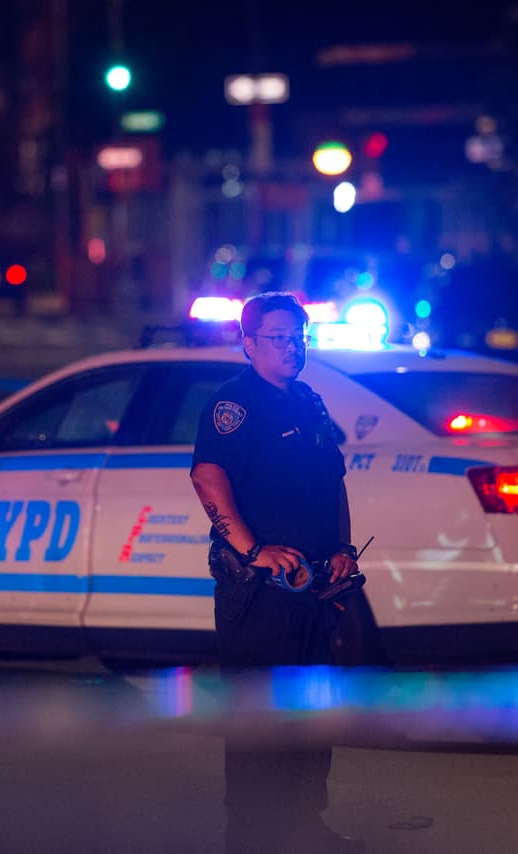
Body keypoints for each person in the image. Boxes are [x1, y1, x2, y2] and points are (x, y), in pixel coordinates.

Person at [190, 291, 364, 853]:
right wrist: (251, 549)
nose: (292, 347)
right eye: (278, 338)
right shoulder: (234, 403)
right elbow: (207, 478)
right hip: (262, 596)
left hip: (315, 589)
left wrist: (343, 547)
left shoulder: (309, 401)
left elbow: (333, 481)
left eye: (299, 337)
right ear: (249, 344)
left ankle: (306, 830)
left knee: (312, 722)